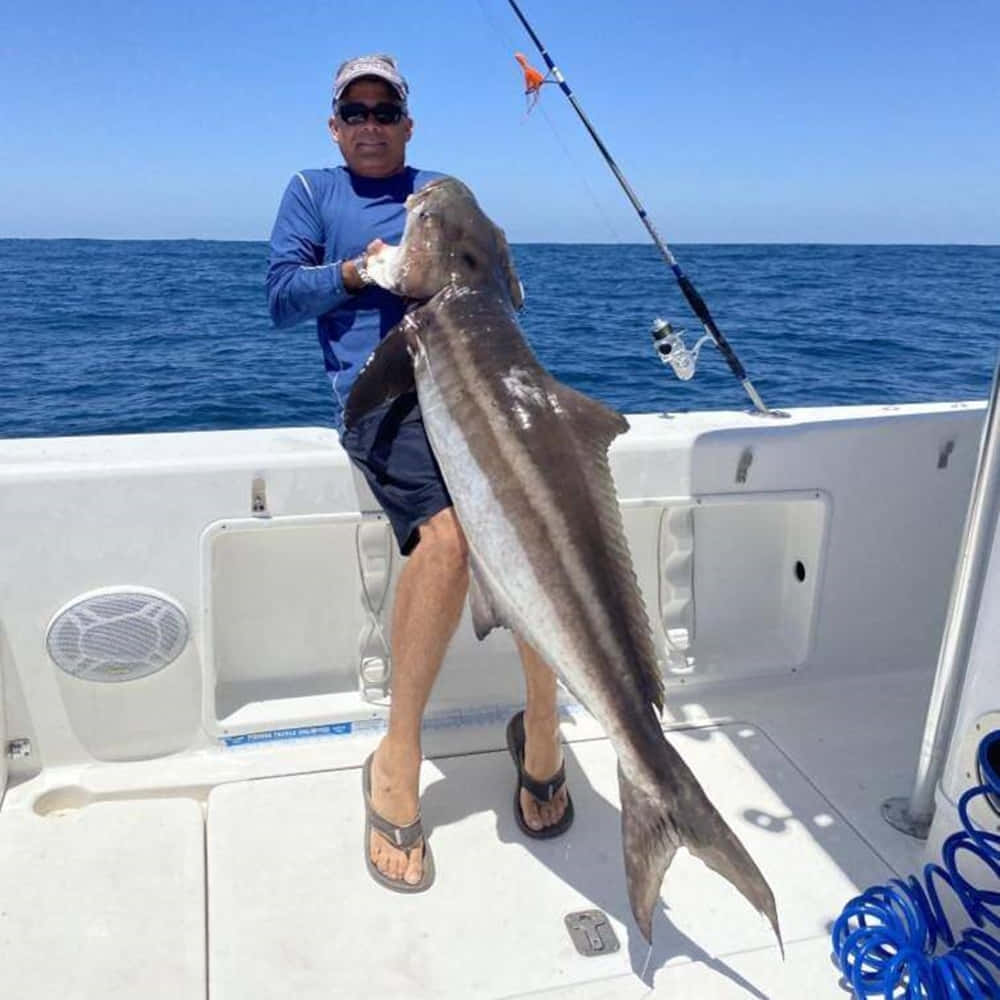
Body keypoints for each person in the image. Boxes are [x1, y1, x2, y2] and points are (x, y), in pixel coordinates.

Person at [266, 54, 573, 893]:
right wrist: (361, 272)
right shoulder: (310, 191)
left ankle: (542, 724)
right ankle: (396, 756)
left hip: (475, 378)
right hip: (383, 395)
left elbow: (504, 285)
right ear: (335, 126)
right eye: (353, 111)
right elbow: (281, 298)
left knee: (540, 524)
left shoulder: (437, 192)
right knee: (446, 542)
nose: (369, 123)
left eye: (385, 109)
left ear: (408, 122)